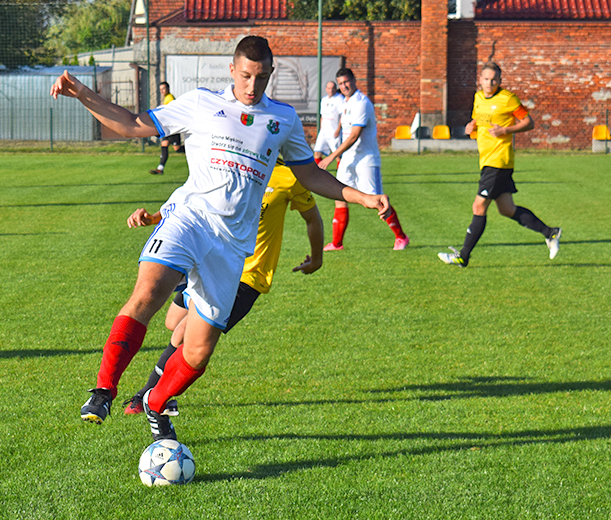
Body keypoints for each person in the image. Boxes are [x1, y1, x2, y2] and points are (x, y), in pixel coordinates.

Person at [50, 35, 389, 442]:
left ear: (270, 74)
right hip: (189, 220)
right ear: (232, 70)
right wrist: (82, 92)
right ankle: (104, 391)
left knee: (197, 352)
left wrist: (362, 196)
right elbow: (132, 125)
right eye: (245, 76)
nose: (252, 86)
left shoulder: (282, 119)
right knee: (148, 292)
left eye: (260, 77)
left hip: (232, 247)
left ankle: (156, 402)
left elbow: (311, 175)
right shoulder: (202, 103)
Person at [121, 160, 324, 414]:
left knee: (183, 333)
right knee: (173, 322)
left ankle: (148, 396)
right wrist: (153, 218)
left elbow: (312, 218)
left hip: (247, 276)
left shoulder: (290, 176)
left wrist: (317, 258)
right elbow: (191, 198)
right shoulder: (232, 161)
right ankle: (159, 393)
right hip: (213, 261)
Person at [438, 62, 561, 267]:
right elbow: (478, 120)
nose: (490, 83)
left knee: (479, 206)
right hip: (487, 160)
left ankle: (463, 256)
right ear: (480, 80)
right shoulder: (478, 98)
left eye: (494, 79)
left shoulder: (508, 99)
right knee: (507, 209)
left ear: (500, 81)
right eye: (486, 79)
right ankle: (551, 233)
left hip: (499, 160)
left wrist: (505, 130)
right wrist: (471, 126)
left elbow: (528, 122)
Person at [319, 68, 409, 251]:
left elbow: (354, 136)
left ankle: (401, 237)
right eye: (341, 83)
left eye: (346, 82)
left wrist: (332, 156)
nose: (344, 86)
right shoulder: (345, 102)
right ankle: (337, 243)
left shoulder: (361, 103)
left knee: (376, 202)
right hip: (348, 159)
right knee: (340, 196)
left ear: (354, 80)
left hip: (366, 160)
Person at [149, 82, 182, 175]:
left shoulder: (170, 98)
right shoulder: (166, 98)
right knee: (164, 145)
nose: (162, 91)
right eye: (160, 89)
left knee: (177, 149)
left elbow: (169, 111)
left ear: (168, 88)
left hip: (173, 128)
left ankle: (196, 150)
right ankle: (160, 169)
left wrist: (160, 108)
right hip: (168, 127)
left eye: (163, 89)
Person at [313, 81, 343, 165]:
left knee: (337, 154)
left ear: (335, 89)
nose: (331, 90)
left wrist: (338, 129)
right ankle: (318, 171)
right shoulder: (324, 100)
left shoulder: (339, 99)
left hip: (334, 131)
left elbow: (342, 116)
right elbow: (322, 115)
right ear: (326, 89)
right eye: (329, 88)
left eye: (333, 88)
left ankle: (341, 172)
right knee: (317, 152)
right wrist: (321, 129)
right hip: (324, 132)